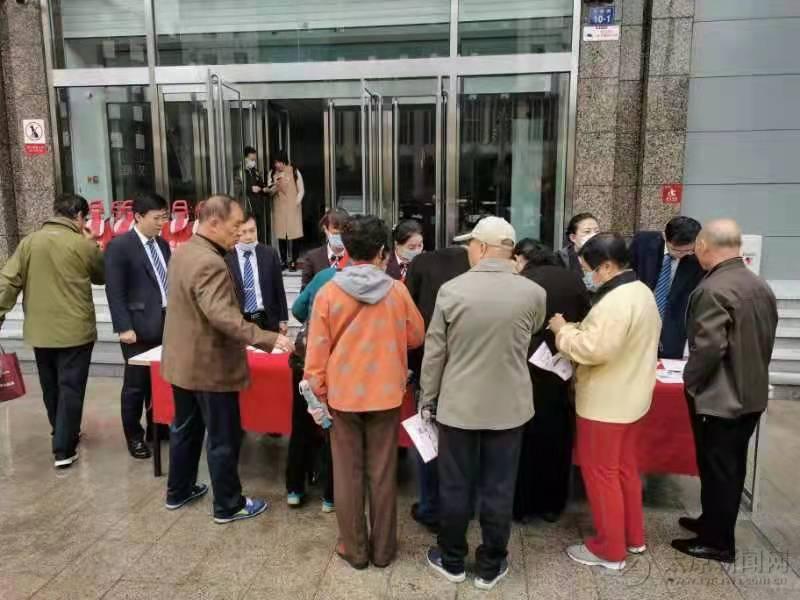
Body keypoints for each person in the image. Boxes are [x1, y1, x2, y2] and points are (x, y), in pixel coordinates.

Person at [422, 217, 545, 591]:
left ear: (480, 248)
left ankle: (452, 559)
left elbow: (435, 352)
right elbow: (533, 330)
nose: (468, 251)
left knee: (455, 485)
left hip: (459, 405)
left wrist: (427, 398)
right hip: (510, 407)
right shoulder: (533, 292)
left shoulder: (451, 290)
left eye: (470, 245)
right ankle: (491, 565)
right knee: (499, 487)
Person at [160, 195, 294, 524]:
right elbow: (223, 317)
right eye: (235, 226)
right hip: (210, 366)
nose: (239, 233)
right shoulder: (211, 262)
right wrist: (268, 338)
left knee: (186, 430)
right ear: (214, 223)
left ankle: (178, 490)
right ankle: (228, 505)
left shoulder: (185, 251)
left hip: (182, 362)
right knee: (223, 437)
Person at [304, 215, 425, 570]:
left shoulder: (328, 292)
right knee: (383, 473)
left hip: (343, 396)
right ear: (383, 252)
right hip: (386, 394)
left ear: (347, 250)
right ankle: (384, 550)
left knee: (347, 474)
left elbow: (316, 354)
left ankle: (355, 550)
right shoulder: (397, 291)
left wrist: (318, 395)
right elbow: (416, 336)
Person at [548, 233, 660, 571]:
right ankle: (632, 537)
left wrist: (562, 330)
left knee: (601, 475)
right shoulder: (641, 291)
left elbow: (594, 349)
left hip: (605, 404)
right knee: (624, 470)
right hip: (632, 398)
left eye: (589, 269)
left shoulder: (615, 301)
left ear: (608, 266)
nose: (587, 276)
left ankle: (610, 550)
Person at [672, 219, 778, 563]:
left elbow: (708, 348)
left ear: (703, 246)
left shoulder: (713, 289)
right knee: (730, 466)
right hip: (751, 393)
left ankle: (718, 542)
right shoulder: (758, 284)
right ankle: (712, 522)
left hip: (720, 398)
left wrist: (691, 381)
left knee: (718, 468)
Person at [0, 194, 104, 468]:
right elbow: (101, 275)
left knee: (51, 386)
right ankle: (63, 448)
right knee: (71, 387)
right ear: (79, 216)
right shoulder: (81, 244)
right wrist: (93, 244)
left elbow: (8, 281)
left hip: (41, 331)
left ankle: (60, 432)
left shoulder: (29, 242)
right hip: (75, 331)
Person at [511, 238, 591, 523]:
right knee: (557, 437)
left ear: (522, 260)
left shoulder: (523, 281)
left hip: (524, 370)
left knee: (523, 439)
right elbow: (585, 319)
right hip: (561, 367)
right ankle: (553, 505)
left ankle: (522, 506)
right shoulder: (573, 280)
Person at [404, 243, 471, 533]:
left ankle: (431, 506)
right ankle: (463, 505)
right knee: (464, 443)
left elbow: (408, 318)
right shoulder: (475, 266)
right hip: (468, 369)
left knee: (428, 439)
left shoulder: (420, 263)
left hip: (426, 365)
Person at [104, 192, 171, 460]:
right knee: (136, 385)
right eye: (157, 218)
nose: (162, 223)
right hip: (137, 328)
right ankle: (134, 435)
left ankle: (159, 426)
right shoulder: (120, 246)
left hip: (166, 322)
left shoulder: (162, 245)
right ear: (138, 217)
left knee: (162, 379)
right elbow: (115, 291)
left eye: (164, 218)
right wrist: (123, 327)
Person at [284, 249, 350, 512]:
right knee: (336, 430)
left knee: (301, 424)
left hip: (307, 360)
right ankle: (330, 496)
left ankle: (294, 489)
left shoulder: (323, 276)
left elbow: (298, 309)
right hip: (341, 365)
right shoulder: (375, 284)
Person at [630, 216, 705, 358]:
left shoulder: (699, 257)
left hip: (673, 325)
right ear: (665, 236)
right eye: (677, 250)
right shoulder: (643, 242)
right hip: (638, 320)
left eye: (689, 250)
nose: (683, 255)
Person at [225, 213, 288, 334]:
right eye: (243, 232)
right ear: (236, 232)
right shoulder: (227, 257)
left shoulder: (270, 254)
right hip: (240, 320)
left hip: (267, 318)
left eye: (252, 231)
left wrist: (283, 319)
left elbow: (278, 288)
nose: (249, 236)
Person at [267, 151, 305, 269]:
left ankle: (294, 261)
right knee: (281, 235)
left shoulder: (294, 171)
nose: (277, 165)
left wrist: (296, 203)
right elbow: (269, 192)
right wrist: (275, 185)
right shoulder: (272, 173)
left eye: (279, 162)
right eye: (275, 162)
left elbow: (301, 190)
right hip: (279, 208)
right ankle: (283, 261)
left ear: (284, 161)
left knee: (294, 234)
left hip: (293, 207)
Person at [301, 208, 349, 290]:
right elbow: (305, 291)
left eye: (343, 231)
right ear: (325, 229)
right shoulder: (312, 257)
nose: (340, 235)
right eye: (336, 231)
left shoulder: (355, 257)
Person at [557, 212, 600, 277]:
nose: (594, 235)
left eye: (597, 231)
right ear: (573, 237)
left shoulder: (606, 255)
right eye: (587, 231)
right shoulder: (560, 259)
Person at [242, 146, 270, 244]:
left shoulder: (255, 171)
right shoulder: (240, 172)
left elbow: (260, 184)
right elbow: (237, 188)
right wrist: (250, 188)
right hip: (247, 206)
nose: (253, 162)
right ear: (245, 158)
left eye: (254, 160)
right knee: (249, 231)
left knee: (259, 231)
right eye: (251, 160)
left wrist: (265, 189)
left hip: (258, 206)